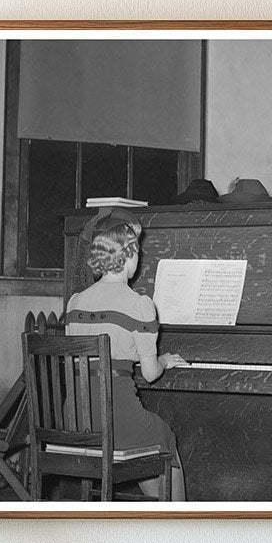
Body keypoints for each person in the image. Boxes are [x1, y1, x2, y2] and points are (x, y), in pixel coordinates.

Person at [65, 208, 188, 500]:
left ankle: (156, 514)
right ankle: (179, 521)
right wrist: (164, 360)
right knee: (163, 435)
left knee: (147, 438)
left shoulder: (75, 302)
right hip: (115, 420)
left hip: (75, 419)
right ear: (130, 255)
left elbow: (93, 356)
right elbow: (149, 374)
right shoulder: (139, 305)